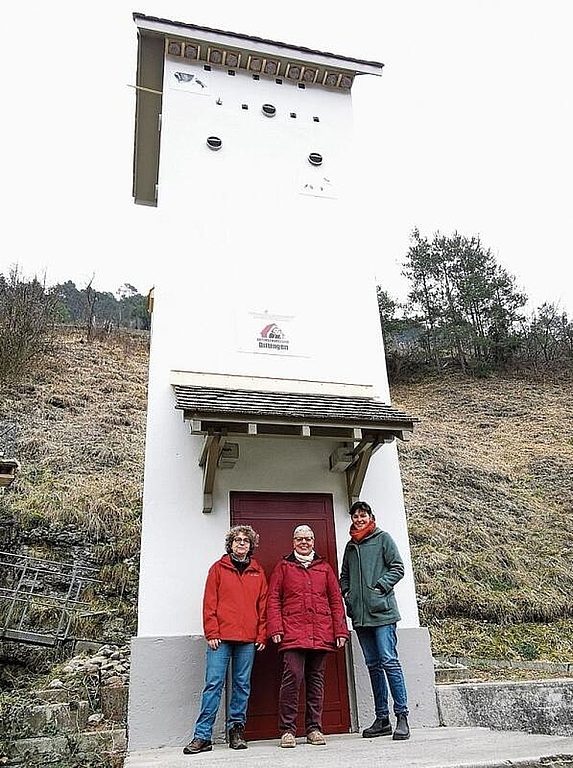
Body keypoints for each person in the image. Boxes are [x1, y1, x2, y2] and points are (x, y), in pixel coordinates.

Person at [183, 525, 268, 755]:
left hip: (248, 640)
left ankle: (236, 731)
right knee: (213, 685)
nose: (241, 543)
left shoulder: (258, 573)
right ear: (230, 544)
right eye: (237, 540)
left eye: (246, 541)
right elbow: (209, 602)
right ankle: (202, 736)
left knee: (242, 686)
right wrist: (211, 632)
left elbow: (263, 607)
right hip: (220, 639)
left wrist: (261, 635)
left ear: (251, 546)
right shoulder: (217, 569)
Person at [268, 524, 349, 748]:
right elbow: (273, 598)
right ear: (293, 542)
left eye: (309, 539)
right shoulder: (283, 567)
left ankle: (314, 728)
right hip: (293, 632)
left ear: (313, 542)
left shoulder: (324, 568)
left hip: (321, 632)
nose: (304, 543)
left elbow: (335, 601)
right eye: (300, 539)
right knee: (292, 678)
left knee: (316, 681)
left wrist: (340, 630)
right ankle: (287, 730)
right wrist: (275, 628)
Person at [339, 500, 410, 741]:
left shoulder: (383, 538)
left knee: (389, 661)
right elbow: (344, 575)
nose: (359, 519)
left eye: (363, 515)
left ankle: (402, 716)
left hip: (382, 613)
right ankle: (382, 719)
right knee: (373, 665)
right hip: (360, 616)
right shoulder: (350, 546)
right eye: (355, 516)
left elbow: (398, 568)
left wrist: (380, 587)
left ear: (371, 516)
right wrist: (347, 593)